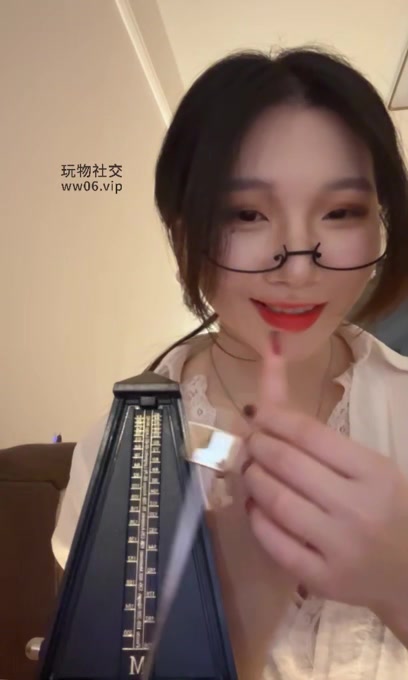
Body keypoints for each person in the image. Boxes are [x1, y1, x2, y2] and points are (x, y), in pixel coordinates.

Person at [52, 46, 408, 678]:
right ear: (181, 229)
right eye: (247, 214)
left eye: (341, 212)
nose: (298, 266)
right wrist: (230, 621)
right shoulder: (119, 453)